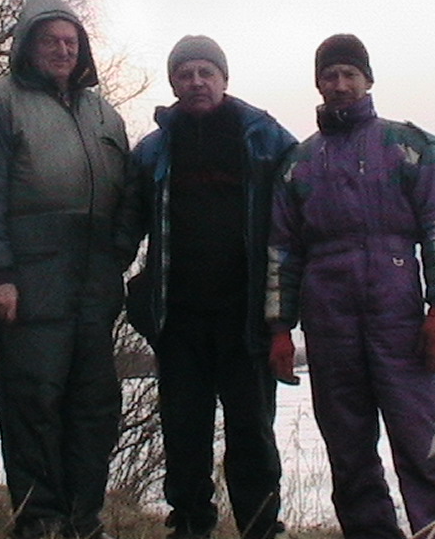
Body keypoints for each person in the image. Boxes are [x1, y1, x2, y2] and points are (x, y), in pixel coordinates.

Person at [265, 34, 435, 539]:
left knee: (423, 448)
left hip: (399, 322)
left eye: (349, 75)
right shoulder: (298, 163)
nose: (340, 85)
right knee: (350, 456)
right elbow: (281, 252)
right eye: (330, 76)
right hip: (328, 324)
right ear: (318, 84)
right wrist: (279, 328)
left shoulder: (408, 147)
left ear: (368, 80)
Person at [0, 0, 136, 539]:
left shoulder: (104, 113)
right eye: (50, 41)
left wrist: (118, 254)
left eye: (71, 42)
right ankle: (39, 517)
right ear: (27, 46)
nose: (62, 50)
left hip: (94, 279)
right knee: (33, 398)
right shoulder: (1, 101)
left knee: (95, 404)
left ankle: (83, 517)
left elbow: (129, 194)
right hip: (30, 275)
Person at [129, 36, 296, 539]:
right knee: (183, 431)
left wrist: (288, 304)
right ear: (173, 83)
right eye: (185, 74)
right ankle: (190, 525)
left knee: (252, 433)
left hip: (246, 319)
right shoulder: (154, 150)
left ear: (224, 79)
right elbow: (124, 224)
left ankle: (261, 528)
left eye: (206, 72)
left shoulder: (265, 139)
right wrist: (132, 293)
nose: (196, 82)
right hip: (178, 320)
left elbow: (301, 216)